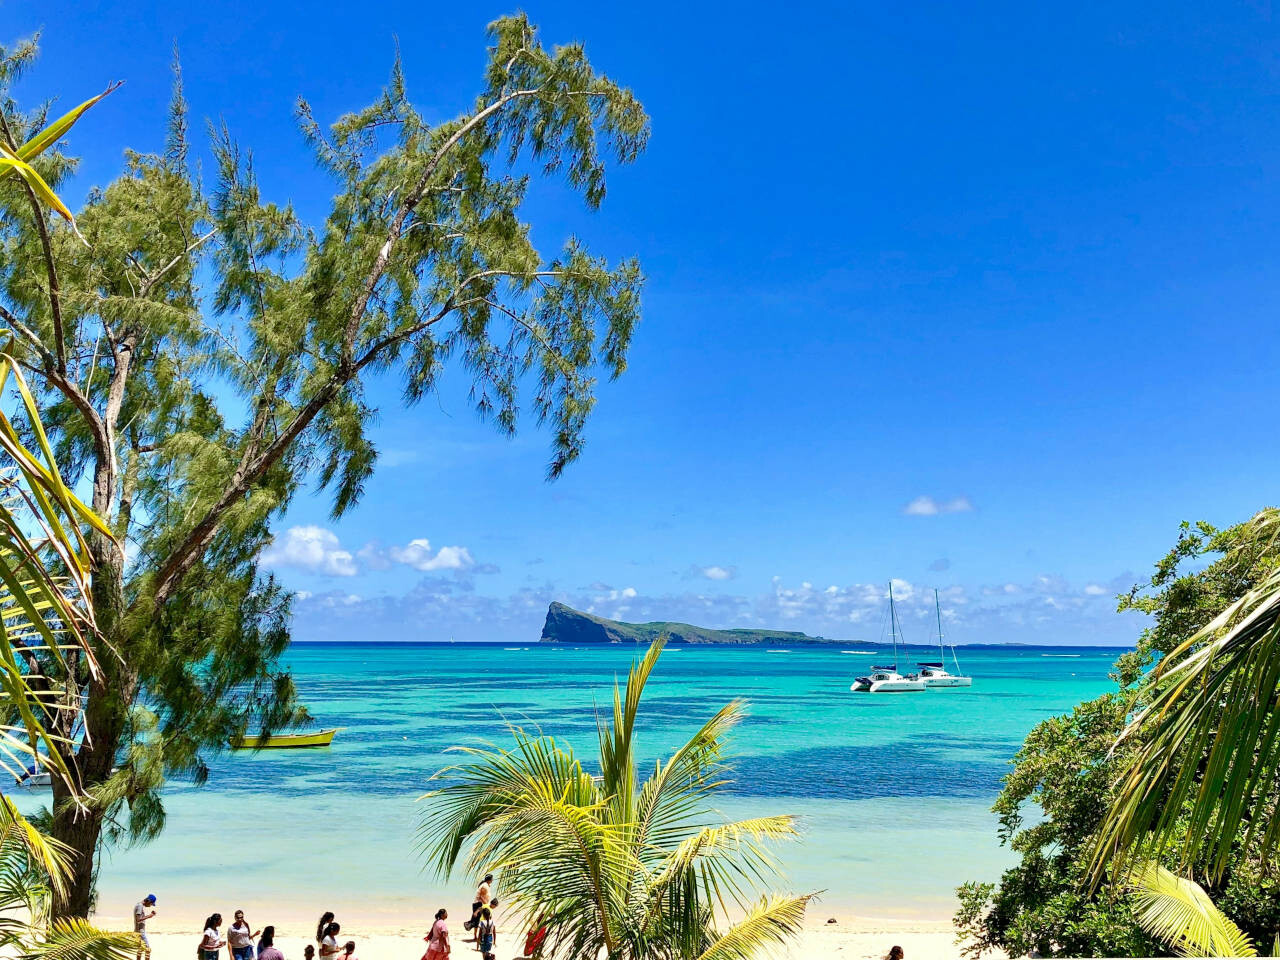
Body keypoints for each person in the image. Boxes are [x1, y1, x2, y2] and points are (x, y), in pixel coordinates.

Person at [133, 894, 157, 960]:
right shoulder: (140, 906)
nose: (150, 906)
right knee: (147, 949)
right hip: (140, 931)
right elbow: (138, 919)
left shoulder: (138, 905)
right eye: (151, 904)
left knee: (140, 949)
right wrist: (150, 916)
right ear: (148, 901)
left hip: (138, 931)